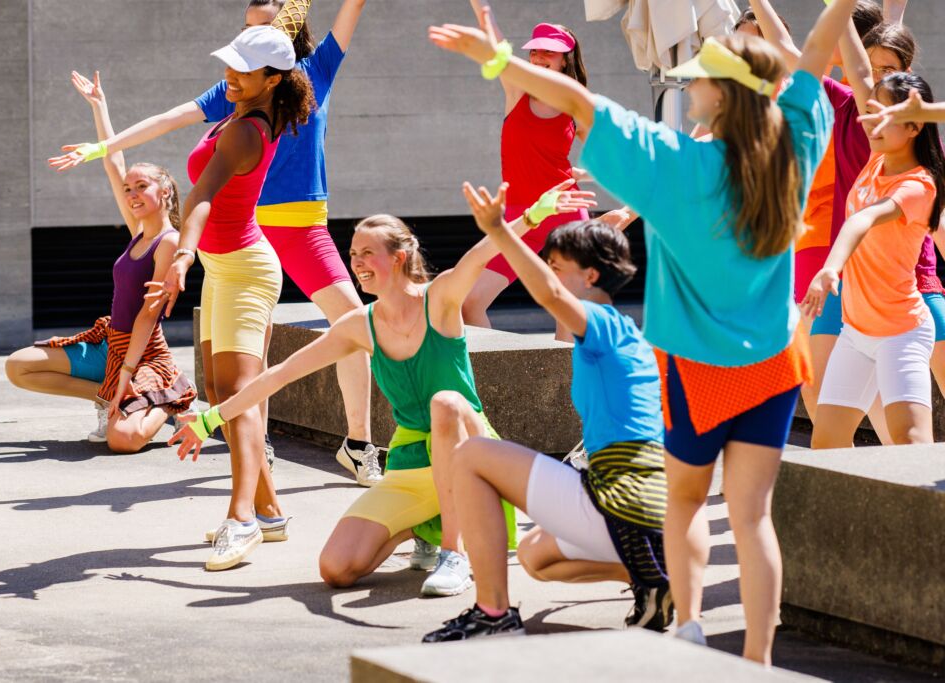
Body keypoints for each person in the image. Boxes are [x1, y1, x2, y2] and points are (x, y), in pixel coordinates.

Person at [429, 0, 850, 664]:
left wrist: (502, 62)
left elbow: (579, 103)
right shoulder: (793, 146)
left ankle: (687, 624)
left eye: (702, 79)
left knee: (683, 504)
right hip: (773, 366)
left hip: (694, 369)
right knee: (753, 518)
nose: (693, 87)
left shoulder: (675, 167)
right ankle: (759, 661)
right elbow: (816, 55)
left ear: (721, 97)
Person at [168, 182, 596, 596]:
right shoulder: (360, 324)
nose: (356, 263)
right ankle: (423, 526)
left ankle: (455, 552)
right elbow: (278, 374)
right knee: (336, 568)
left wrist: (535, 214)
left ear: (400, 256)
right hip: (410, 465)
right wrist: (210, 418)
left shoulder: (441, 297)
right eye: (353, 254)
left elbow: (482, 253)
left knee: (446, 404)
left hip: (469, 452)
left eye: (367, 253)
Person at [50, 0, 382, 485]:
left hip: (302, 225)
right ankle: (256, 443)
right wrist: (105, 146)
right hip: (246, 231)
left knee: (355, 326)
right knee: (251, 350)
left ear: (287, 36)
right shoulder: (238, 89)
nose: (249, 41)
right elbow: (170, 118)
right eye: (245, 30)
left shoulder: (314, 70)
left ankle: (358, 444)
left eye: (263, 28)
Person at [53, 25, 315, 571]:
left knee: (239, 393)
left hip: (244, 270)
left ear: (271, 79)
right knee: (221, 388)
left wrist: (182, 256)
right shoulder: (238, 108)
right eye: (230, 66)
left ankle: (241, 520)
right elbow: (170, 124)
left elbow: (198, 196)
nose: (229, 76)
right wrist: (106, 140)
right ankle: (268, 512)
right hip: (222, 267)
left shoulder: (245, 131)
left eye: (242, 70)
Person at [422, 188, 670, 642]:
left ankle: (492, 613)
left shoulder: (601, 324)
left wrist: (498, 229)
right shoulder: (626, 335)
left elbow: (552, 292)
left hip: (620, 496)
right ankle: (653, 574)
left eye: (557, 264)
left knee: (472, 455)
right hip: (640, 504)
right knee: (536, 556)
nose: (549, 271)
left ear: (591, 275)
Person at [6, 71, 195, 452]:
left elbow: (147, 315)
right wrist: (99, 106)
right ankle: (108, 397)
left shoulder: (168, 241)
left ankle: (173, 397)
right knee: (19, 367)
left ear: (166, 192)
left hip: (144, 353)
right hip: (110, 342)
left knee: (122, 441)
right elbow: (114, 161)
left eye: (142, 186)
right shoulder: (138, 231)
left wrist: (127, 372)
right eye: (129, 189)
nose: (132, 193)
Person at [803, 72, 944, 448]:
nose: (870, 122)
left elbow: (861, 220)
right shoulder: (875, 161)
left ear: (915, 125)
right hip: (855, 333)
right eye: (869, 112)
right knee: (826, 448)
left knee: (911, 443)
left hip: (902, 334)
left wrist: (830, 269)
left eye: (884, 114)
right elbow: (861, 72)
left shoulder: (919, 185)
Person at [461, 1, 590, 341]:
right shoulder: (517, 91)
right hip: (519, 216)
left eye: (549, 52)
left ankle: (566, 393)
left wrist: (582, 173)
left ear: (566, 59)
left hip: (565, 215)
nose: (539, 58)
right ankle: (492, 383)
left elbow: (609, 155)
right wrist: (479, 7)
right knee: (470, 302)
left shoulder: (577, 103)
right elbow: (498, 47)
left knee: (565, 315)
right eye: (535, 52)